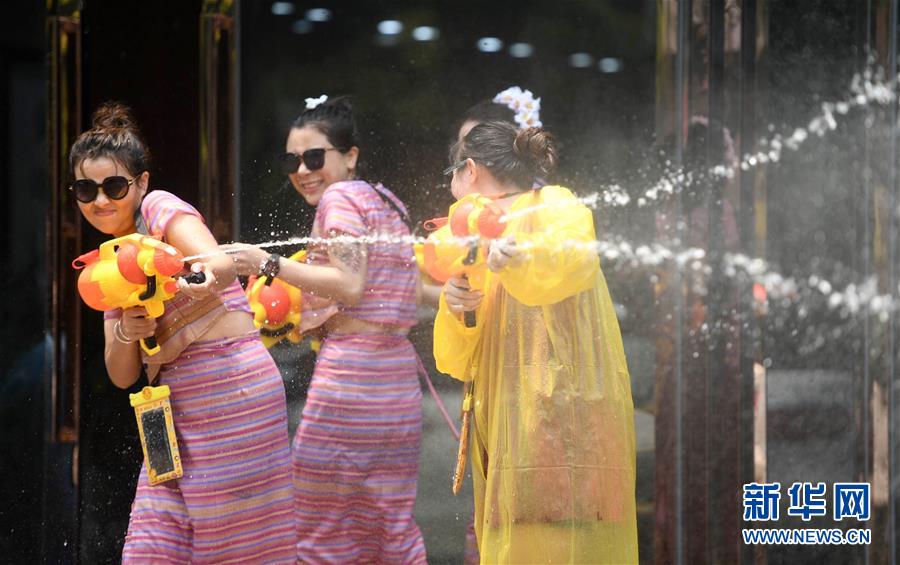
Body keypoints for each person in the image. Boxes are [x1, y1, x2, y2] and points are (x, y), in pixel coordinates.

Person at [69, 102, 295, 563]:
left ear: (141, 183)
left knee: (235, 551)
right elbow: (120, 375)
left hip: (231, 392)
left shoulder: (158, 208)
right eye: (85, 189)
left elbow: (218, 261)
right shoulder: (106, 262)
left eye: (113, 186)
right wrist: (129, 331)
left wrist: (202, 276)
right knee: (150, 550)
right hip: (166, 416)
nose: (100, 200)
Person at [227, 95, 427, 563]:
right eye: (291, 160)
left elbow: (350, 285)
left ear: (350, 155)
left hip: (352, 376)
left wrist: (266, 262)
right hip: (396, 379)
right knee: (389, 524)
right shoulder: (385, 200)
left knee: (318, 524)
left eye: (315, 157)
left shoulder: (339, 198)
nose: (302, 170)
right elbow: (409, 287)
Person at [433, 120, 639, 563]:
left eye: (450, 171)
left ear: (469, 169)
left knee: (571, 543)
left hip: (567, 418)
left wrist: (520, 257)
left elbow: (564, 265)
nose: (450, 185)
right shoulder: (470, 235)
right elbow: (455, 360)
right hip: (507, 424)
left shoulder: (555, 207)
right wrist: (455, 308)